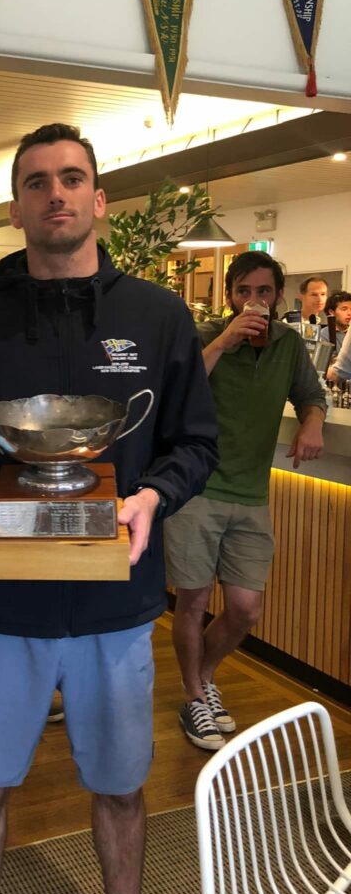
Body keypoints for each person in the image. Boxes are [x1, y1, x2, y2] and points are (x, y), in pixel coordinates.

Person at [0, 123, 218, 894]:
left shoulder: (158, 318)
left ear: (99, 197)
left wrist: (153, 497)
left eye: (70, 177)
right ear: (15, 208)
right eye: (36, 182)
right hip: (1, 602)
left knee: (121, 788)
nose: (55, 192)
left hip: (116, 601)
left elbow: (195, 440)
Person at [165, 251, 326, 751]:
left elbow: (310, 393)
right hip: (197, 488)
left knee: (245, 608)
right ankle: (195, 696)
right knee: (192, 601)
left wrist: (313, 421)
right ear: (230, 295)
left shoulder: (289, 346)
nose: (253, 301)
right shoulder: (205, 337)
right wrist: (223, 341)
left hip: (252, 492)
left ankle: (204, 678)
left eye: (263, 292)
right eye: (243, 292)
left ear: (278, 296)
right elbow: (175, 391)